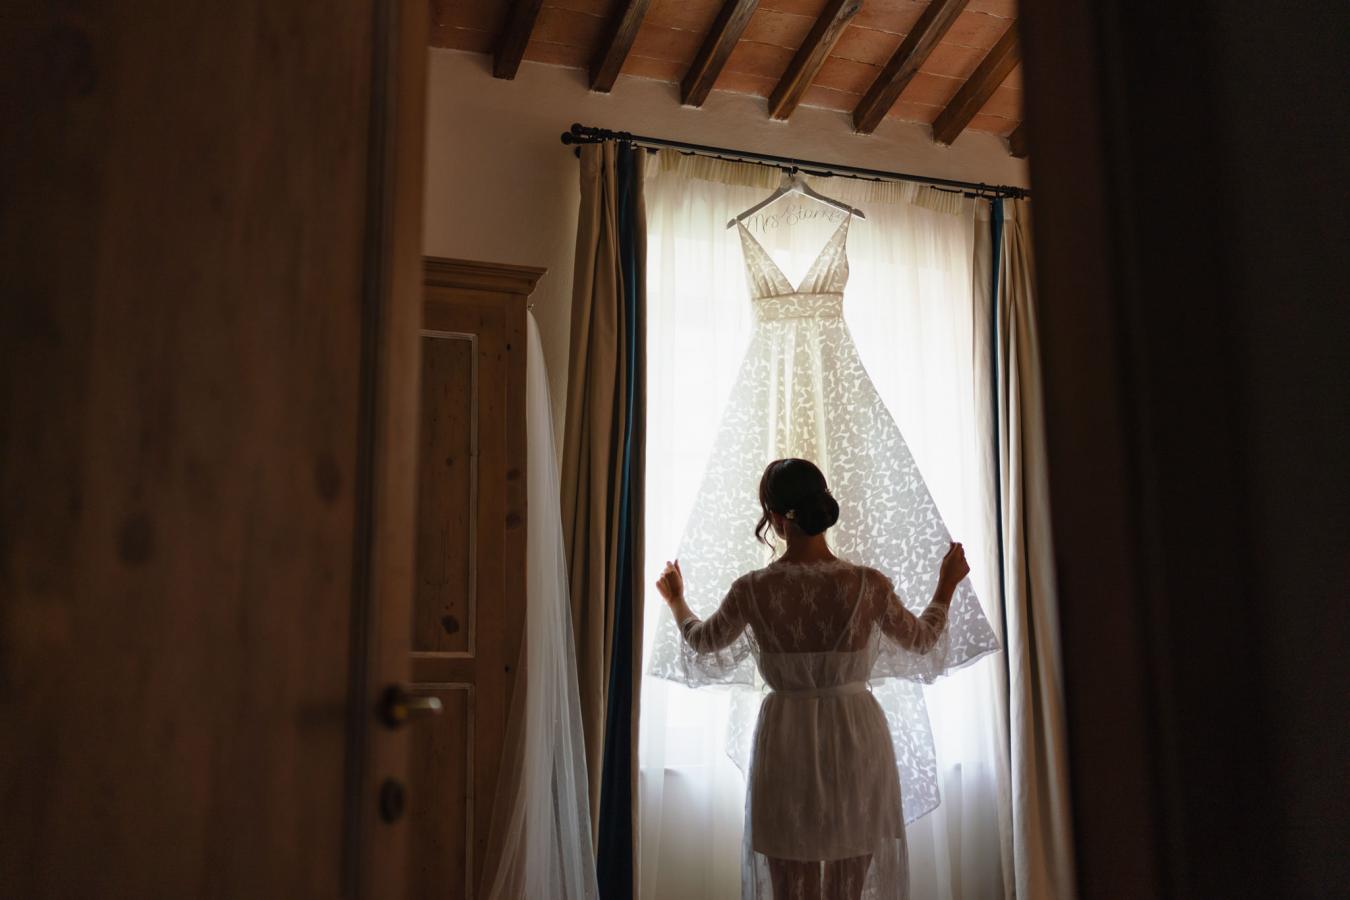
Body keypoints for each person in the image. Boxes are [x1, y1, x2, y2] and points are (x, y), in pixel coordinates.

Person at [655, 458, 970, 900]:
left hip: (786, 740)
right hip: (856, 736)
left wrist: (677, 601)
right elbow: (922, 641)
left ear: (776, 518)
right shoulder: (867, 584)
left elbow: (704, 642)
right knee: (848, 886)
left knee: (791, 888)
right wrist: (946, 585)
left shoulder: (753, 588)